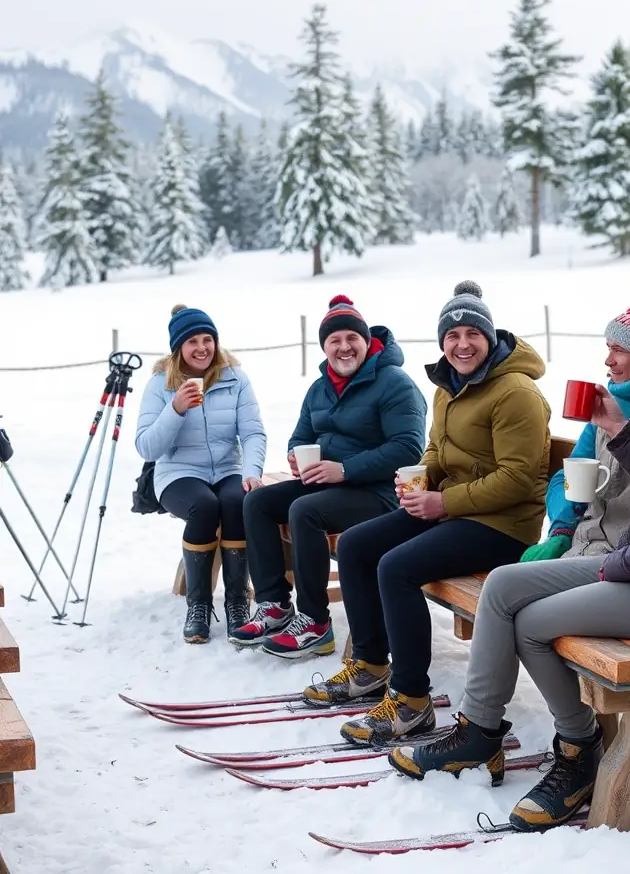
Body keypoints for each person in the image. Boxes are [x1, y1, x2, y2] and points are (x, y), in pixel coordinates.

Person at [388, 238, 630, 834]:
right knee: (508, 587)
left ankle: (578, 751)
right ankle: (479, 732)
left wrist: (623, 564)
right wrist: (620, 435)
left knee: (534, 620)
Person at [304, 280, 552, 745]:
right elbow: (439, 447)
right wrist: (420, 476)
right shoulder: (449, 386)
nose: (461, 345)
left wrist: (443, 501)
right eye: (452, 337)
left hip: (503, 526)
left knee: (397, 567)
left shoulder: (515, 392)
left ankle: (413, 701)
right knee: (357, 545)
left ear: (489, 337)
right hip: (453, 511)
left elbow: (518, 479)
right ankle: (371, 666)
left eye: (472, 336)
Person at [231, 295, 427, 658]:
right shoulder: (320, 388)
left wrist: (346, 469)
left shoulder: (395, 383)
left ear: (366, 342)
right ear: (324, 347)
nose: (344, 347)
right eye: (334, 340)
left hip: (380, 492)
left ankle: (315, 622)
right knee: (257, 501)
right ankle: (275, 605)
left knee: (305, 511)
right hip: (328, 484)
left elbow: (408, 447)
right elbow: (301, 436)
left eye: (352, 338)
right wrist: (296, 456)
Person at [135, 305, 266, 645]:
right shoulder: (159, 384)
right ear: (178, 347)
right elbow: (147, 448)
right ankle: (199, 605)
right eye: (192, 341)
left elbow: (253, 433)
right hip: (178, 473)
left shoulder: (235, 378)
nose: (202, 348)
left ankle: (238, 601)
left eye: (208, 339)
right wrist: (175, 408)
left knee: (238, 502)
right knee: (205, 506)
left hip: (227, 468)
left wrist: (251, 471)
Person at [521, 302, 630, 562]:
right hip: (584, 544)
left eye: (618, 350)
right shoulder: (610, 405)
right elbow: (568, 475)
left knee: (508, 589)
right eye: (608, 348)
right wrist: (561, 530)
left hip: (627, 556)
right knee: (507, 585)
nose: (608, 360)